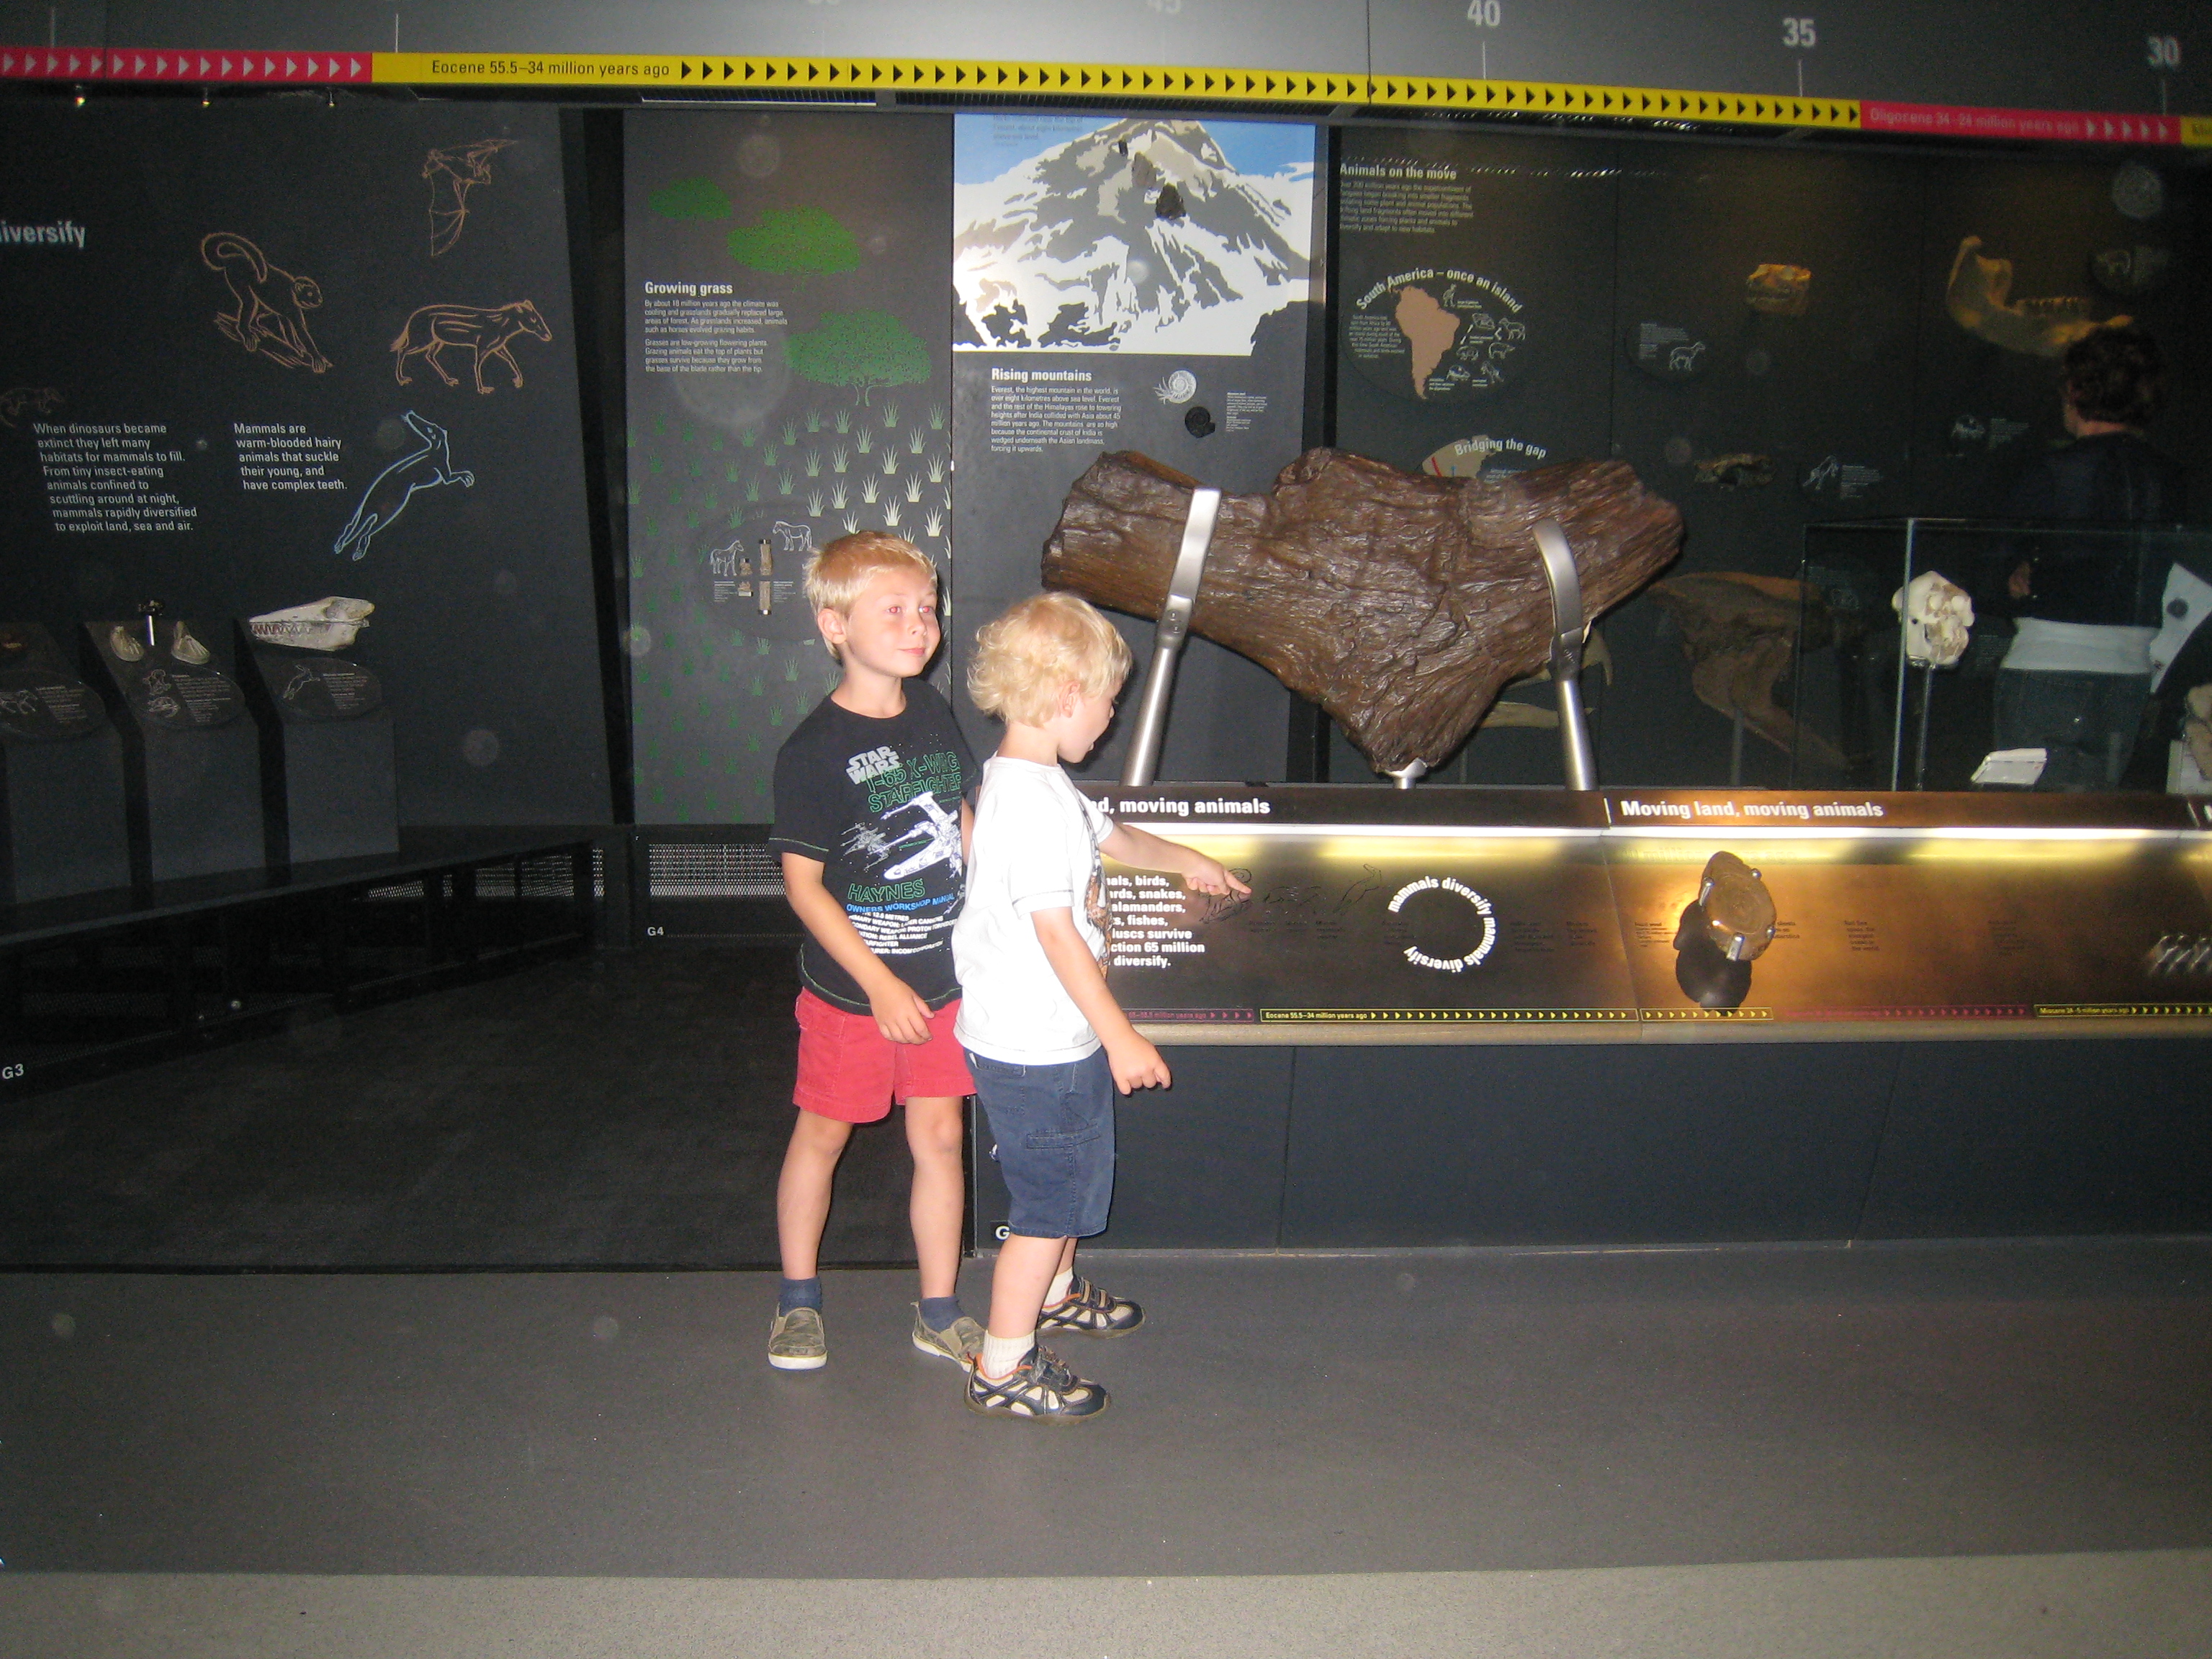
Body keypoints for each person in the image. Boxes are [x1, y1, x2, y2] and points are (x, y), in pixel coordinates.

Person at [952, 593, 1249, 1422]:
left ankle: (1054, 1293)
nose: (1112, 718)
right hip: (1034, 1045)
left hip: (1052, 1035)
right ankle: (1002, 1365)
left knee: (1073, 1177)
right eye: (1109, 701)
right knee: (1048, 1205)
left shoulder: (1042, 785)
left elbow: (1114, 837)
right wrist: (1122, 1037)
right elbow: (1056, 935)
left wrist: (1185, 859)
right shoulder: (1030, 806)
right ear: (1067, 695)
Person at [764, 532, 981, 1371]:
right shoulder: (812, 750)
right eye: (893, 610)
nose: (918, 624)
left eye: (926, 608)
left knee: (941, 1138)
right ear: (834, 626)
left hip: (943, 983)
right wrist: (879, 984)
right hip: (855, 994)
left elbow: (962, 817)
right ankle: (797, 1300)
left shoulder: (931, 710)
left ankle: (939, 1310)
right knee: (823, 1134)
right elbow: (804, 887)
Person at [1990, 324, 2187, 790]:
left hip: (2047, 665)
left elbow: (1995, 564)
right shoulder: (2169, 477)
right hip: (2131, 674)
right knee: (2093, 821)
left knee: (2022, 821)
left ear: (2077, 390)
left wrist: (2014, 574)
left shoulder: (2053, 470)